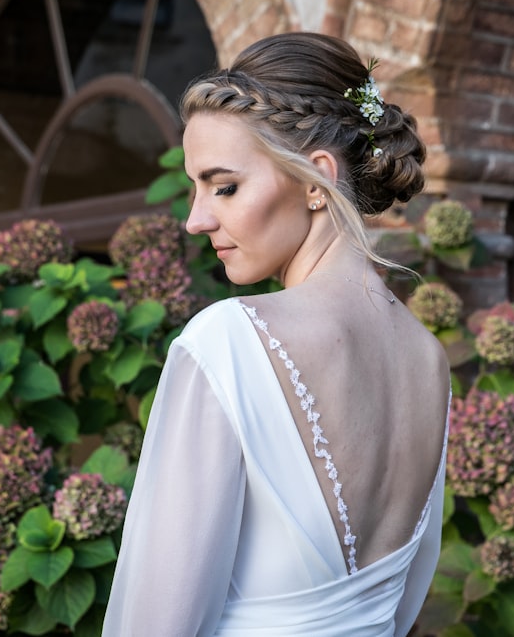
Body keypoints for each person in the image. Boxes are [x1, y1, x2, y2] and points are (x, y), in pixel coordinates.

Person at [103, 32, 451, 636]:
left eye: (224, 186)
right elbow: (405, 603)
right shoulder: (429, 359)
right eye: (195, 188)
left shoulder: (231, 343)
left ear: (316, 179)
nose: (195, 219)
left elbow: (156, 622)